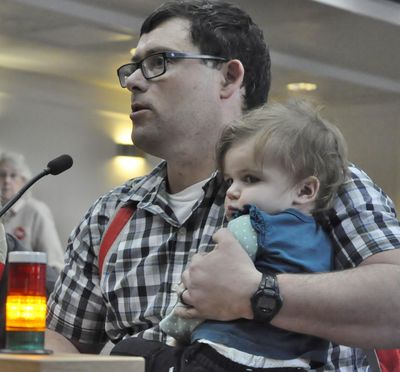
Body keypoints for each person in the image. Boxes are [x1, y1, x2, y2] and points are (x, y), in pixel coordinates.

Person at [45, 0, 400, 370]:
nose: (133, 80)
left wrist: (256, 294)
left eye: (158, 61)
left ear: (229, 77)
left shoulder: (312, 181)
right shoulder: (110, 214)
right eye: (133, 67)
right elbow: (63, 338)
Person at [158, 99, 348, 370]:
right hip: (296, 362)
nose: (232, 191)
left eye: (250, 178)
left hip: (225, 353)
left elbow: (200, 291)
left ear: (305, 190)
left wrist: (176, 332)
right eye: (230, 180)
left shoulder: (248, 227)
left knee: (133, 351)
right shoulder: (327, 239)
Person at [0, 152, 64, 271]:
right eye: (2, 175)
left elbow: (55, 265)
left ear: (24, 180)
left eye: (13, 175)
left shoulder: (36, 211)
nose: (7, 180)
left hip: (27, 284)